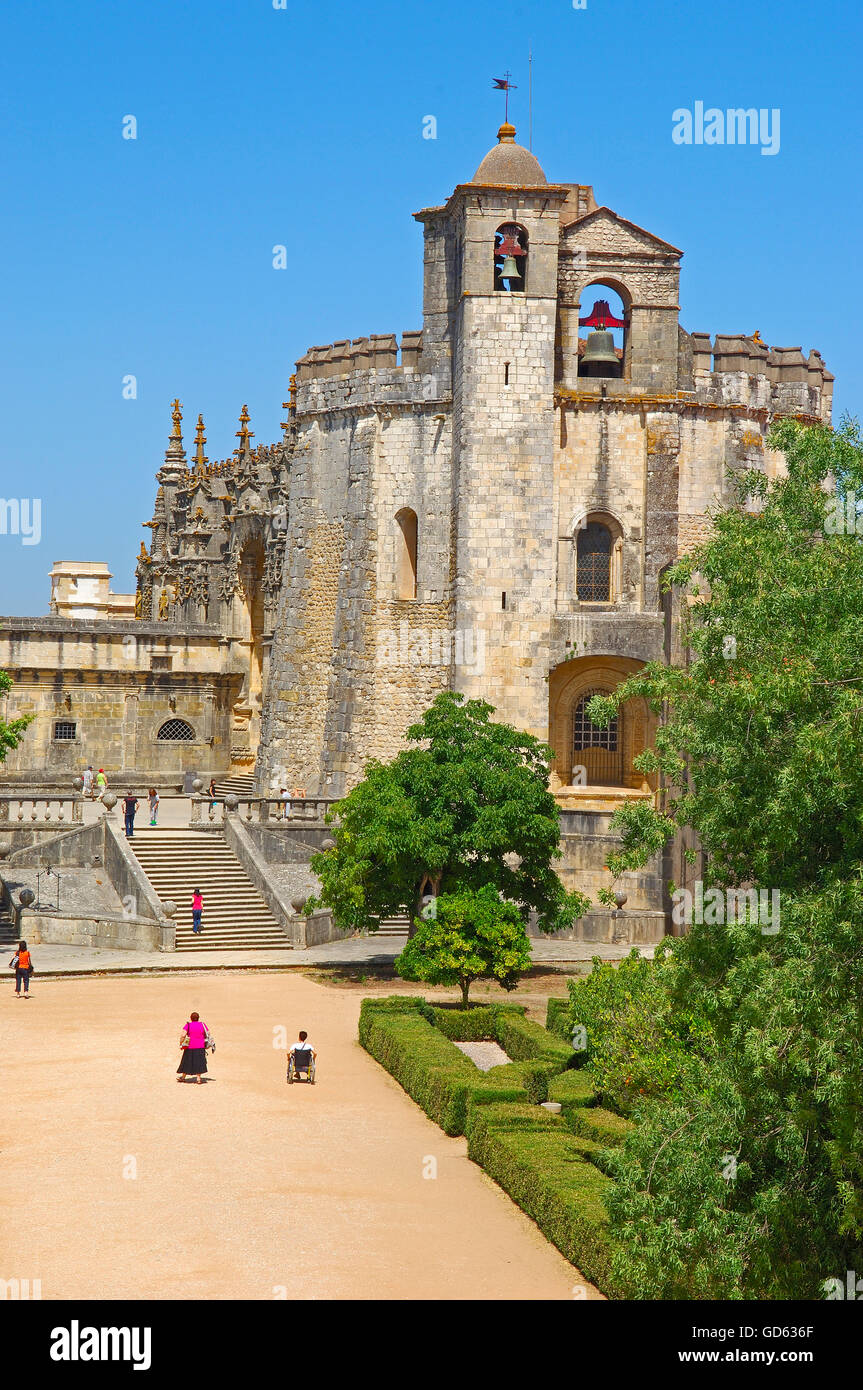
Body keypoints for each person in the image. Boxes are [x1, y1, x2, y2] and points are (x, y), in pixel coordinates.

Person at [177, 1010, 210, 1083]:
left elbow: (183, 1035)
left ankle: (183, 1077)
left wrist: (181, 1043)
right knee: (199, 1062)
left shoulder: (188, 1025)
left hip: (190, 1047)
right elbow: (208, 1033)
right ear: (198, 1018)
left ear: (191, 1018)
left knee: (186, 1062)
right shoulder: (202, 1024)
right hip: (200, 1046)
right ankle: (198, 1079)